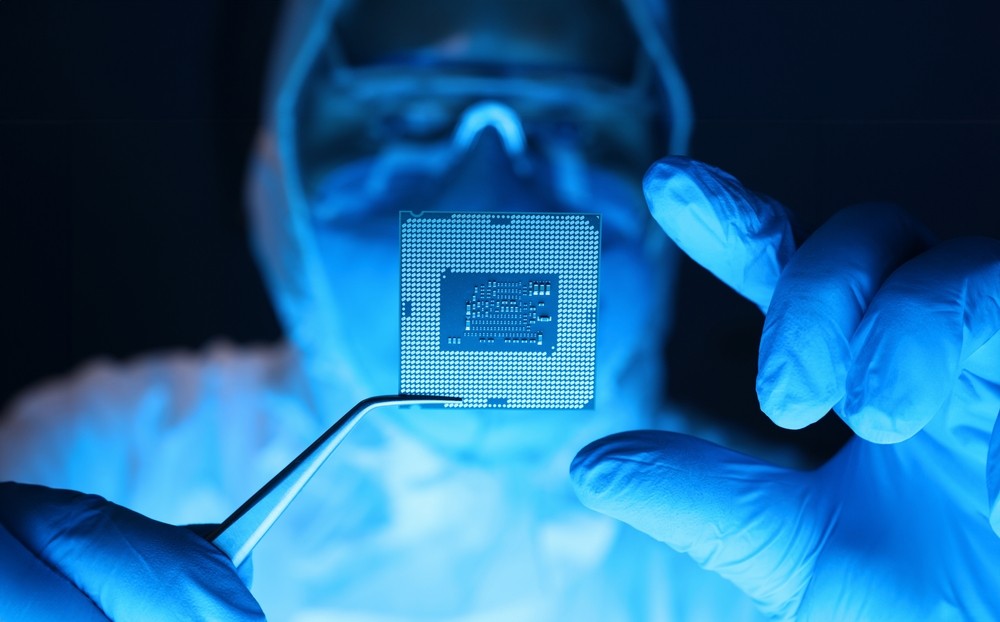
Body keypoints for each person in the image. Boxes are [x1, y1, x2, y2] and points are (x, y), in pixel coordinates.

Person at [2, 1, 999, 621]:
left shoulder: (796, 552)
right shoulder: (100, 458)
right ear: (277, 185)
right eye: (407, 117)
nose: (490, 191)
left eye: (568, 119)